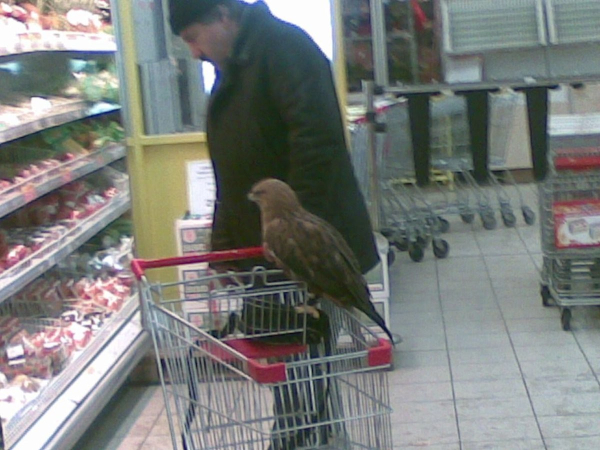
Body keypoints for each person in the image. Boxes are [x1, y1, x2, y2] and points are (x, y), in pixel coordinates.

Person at [168, 0, 380, 448]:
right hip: (269, 252)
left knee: (303, 357)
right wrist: (224, 244)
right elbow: (234, 168)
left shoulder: (285, 48)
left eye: (192, 37)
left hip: (304, 254)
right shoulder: (238, 63)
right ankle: (308, 439)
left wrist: (295, 237)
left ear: (223, 15)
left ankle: (299, 440)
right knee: (295, 363)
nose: (194, 52)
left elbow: (316, 146)